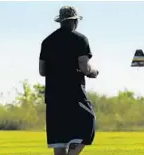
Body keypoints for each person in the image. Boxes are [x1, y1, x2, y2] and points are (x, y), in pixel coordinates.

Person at [38, 6, 99, 155]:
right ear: (74, 21)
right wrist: (93, 72)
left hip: (53, 97)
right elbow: (84, 67)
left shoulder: (47, 41)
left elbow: (42, 71)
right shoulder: (80, 39)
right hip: (74, 95)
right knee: (88, 122)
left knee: (59, 140)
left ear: (60, 21)